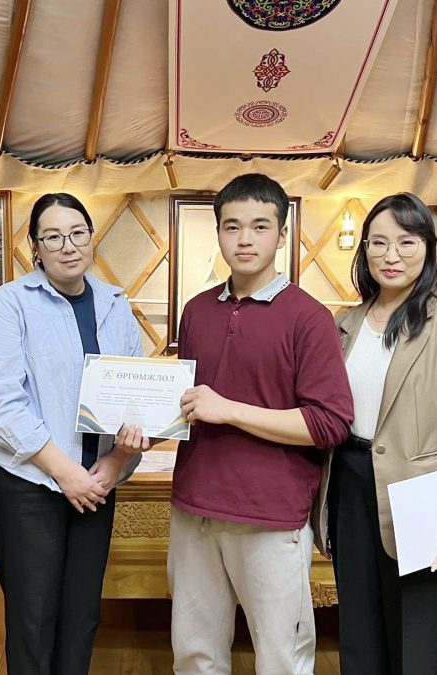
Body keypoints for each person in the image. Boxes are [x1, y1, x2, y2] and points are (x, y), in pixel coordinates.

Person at [170, 173, 354, 674]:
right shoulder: (196, 311)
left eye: (259, 226)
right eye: (232, 226)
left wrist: (229, 409)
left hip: (270, 517)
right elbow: (186, 404)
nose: (244, 239)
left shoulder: (309, 317)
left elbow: (330, 422)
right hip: (194, 508)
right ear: (218, 233)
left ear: (282, 234)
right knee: (195, 653)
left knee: (281, 659)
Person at [315, 192, 437, 675]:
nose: (391, 255)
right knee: (357, 629)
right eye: (379, 243)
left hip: (421, 498)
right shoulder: (344, 324)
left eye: (406, 242)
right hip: (349, 485)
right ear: (364, 251)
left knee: (416, 636)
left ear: (427, 248)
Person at [0, 192, 147, 675]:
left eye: (77, 233)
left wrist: (115, 463)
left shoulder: (115, 304)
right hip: (30, 483)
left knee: (82, 613)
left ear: (93, 237)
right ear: (35, 246)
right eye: (52, 237)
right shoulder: (11, 303)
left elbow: (137, 396)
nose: (68, 246)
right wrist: (65, 472)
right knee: (33, 618)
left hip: (97, 482)